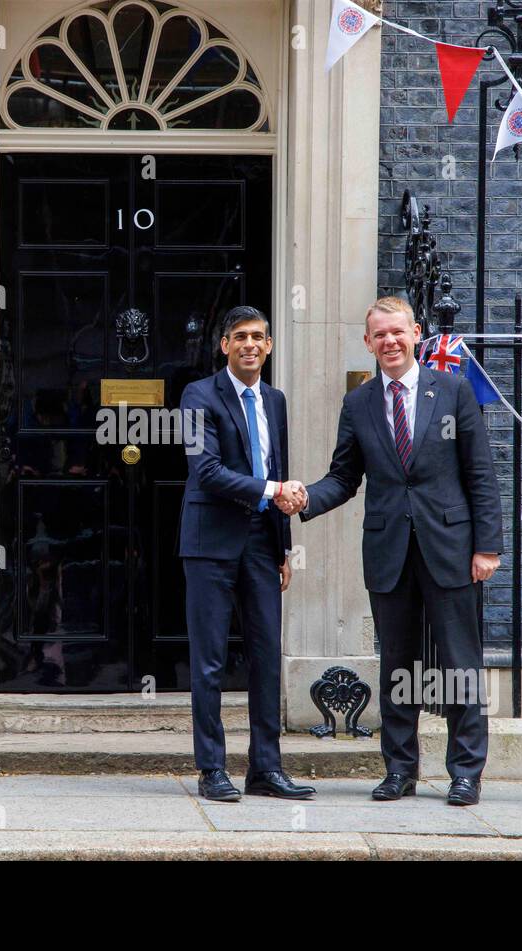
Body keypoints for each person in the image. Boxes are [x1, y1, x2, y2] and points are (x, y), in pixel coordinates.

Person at [279, 296, 502, 806]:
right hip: (389, 552)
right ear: (368, 342)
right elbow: (344, 476)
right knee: (398, 664)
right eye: (379, 335)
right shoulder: (358, 403)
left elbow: (480, 474)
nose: (390, 342)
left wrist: (487, 546)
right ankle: (400, 770)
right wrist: (305, 498)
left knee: (459, 664)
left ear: (416, 333)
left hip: (450, 547)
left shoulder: (452, 391)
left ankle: (466, 772)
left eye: (397, 332)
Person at [178, 305, 315, 803]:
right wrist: (276, 488)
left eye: (258, 336)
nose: (250, 345)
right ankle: (212, 768)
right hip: (210, 543)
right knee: (210, 661)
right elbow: (205, 471)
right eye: (240, 337)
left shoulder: (275, 400)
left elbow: (277, 462)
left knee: (265, 658)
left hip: (261, 542)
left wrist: (282, 547)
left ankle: (265, 769)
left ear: (270, 345)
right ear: (225, 346)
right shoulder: (197, 395)